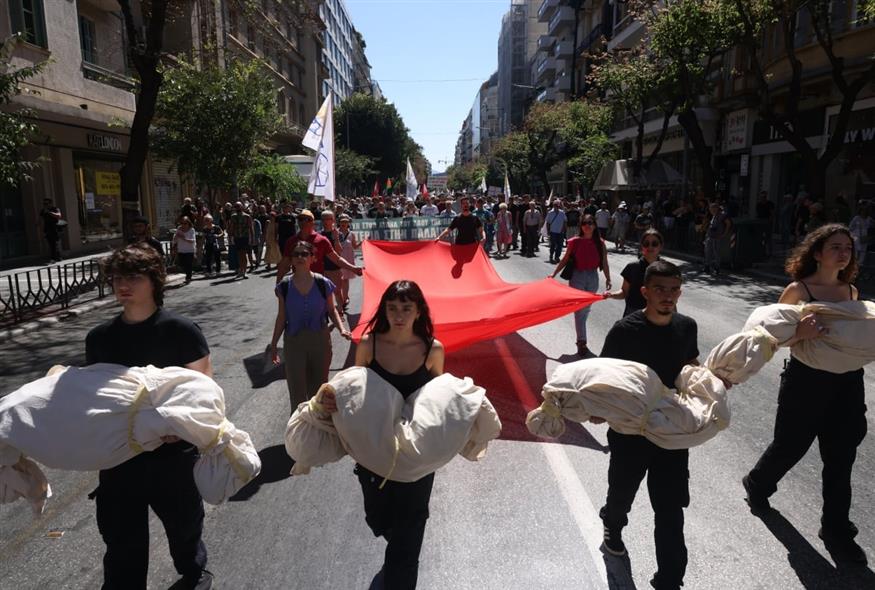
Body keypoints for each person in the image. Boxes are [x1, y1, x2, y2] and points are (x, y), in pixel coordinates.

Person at [85, 244, 213, 590]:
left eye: (133, 277)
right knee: (121, 541)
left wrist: (179, 428)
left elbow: (204, 390)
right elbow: (93, 397)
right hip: (119, 459)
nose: (122, 284)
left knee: (184, 526)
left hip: (172, 456)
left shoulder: (181, 331)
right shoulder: (100, 338)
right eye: (117, 277)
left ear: (155, 280)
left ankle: (193, 572)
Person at [743, 224, 867, 565]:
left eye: (847, 247)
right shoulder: (799, 290)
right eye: (836, 247)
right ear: (817, 253)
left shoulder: (851, 292)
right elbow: (768, 337)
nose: (843, 253)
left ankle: (836, 530)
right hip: (806, 382)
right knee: (790, 445)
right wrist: (799, 332)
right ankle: (758, 483)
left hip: (847, 383)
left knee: (841, 457)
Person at [321, 280, 445, 590]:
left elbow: (441, 398)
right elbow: (352, 389)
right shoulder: (369, 345)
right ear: (384, 310)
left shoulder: (433, 349)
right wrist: (331, 399)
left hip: (417, 459)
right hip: (373, 454)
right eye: (392, 308)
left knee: (410, 530)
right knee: (380, 519)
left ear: (419, 311)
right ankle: (397, 545)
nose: (399, 316)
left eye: (406, 308)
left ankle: (400, 569)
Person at [598, 260, 701, 590]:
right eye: (660, 289)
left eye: (674, 290)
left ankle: (670, 579)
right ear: (644, 292)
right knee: (622, 492)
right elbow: (604, 375)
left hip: (671, 431)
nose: (668, 296)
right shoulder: (625, 331)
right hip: (631, 432)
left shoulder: (687, 327)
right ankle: (613, 523)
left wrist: (707, 384)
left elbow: (690, 363)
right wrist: (598, 408)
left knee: (670, 508)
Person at [270, 241, 350, 411]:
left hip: (320, 340)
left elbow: (331, 310)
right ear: (291, 260)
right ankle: (298, 425)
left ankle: (318, 425)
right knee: (296, 390)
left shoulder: (323, 283)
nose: (300, 257)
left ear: (313, 258)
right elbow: (281, 316)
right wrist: (274, 343)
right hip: (294, 342)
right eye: (296, 254)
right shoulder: (284, 286)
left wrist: (342, 329)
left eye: (304, 254)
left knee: (319, 391)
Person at [550, 213, 611, 357]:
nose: (587, 226)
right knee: (580, 310)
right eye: (584, 223)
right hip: (577, 276)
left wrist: (608, 278)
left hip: (593, 277)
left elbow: (604, 262)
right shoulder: (574, 241)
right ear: (581, 226)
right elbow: (565, 259)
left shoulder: (600, 243)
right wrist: (554, 273)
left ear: (594, 225)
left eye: (590, 223)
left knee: (585, 310)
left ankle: (581, 339)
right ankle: (581, 342)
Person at [275, 209, 362, 282]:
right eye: (301, 219)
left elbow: (337, 259)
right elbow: (284, 265)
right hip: (297, 283)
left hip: (317, 283)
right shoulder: (291, 241)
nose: (304, 222)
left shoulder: (321, 240)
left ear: (313, 223)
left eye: (308, 219)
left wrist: (353, 268)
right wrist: (278, 283)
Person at [604, 228, 663, 317]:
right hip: (633, 314)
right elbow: (624, 292)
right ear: (642, 246)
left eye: (654, 244)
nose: (650, 247)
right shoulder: (632, 267)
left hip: (658, 315)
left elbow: (671, 299)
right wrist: (610, 295)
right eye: (646, 244)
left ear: (660, 246)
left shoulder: (666, 270)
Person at [320, 210, 344, 307]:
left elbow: (339, 252)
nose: (325, 221)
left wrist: (336, 239)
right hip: (322, 268)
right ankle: (327, 311)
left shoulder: (338, 234)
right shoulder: (318, 234)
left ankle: (340, 311)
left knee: (337, 291)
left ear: (333, 220)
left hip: (335, 267)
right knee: (324, 293)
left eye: (328, 219)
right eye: (323, 219)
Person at [337, 214, 360, 312]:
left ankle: (345, 298)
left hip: (348, 258)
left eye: (346, 222)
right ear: (339, 223)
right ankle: (341, 298)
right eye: (342, 222)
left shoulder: (352, 234)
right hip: (338, 258)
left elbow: (355, 247)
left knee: (345, 279)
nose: (344, 223)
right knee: (339, 279)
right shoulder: (335, 233)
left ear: (348, 223)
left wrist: (363, 242)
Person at [703, 202, 731, 275]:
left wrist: (724, 234)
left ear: (716, 208)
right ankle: (707, 267)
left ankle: (717, 268)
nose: (710, 211)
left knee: (716, 253)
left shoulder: (722, 215)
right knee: (708, 252)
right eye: (710, 209)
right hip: (710, 236)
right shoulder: (714, 215)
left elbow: (728, 224)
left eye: (711, 209)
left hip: (717, 237)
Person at [227, 201, 253, 279]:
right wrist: (230, 237)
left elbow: (250, 228)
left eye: (238, 206)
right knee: (239, 255)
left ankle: (244, 271)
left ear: (242, 207)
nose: (237, 208)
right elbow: (231, 227)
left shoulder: (247, 216)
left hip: (245, 237)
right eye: (236, 206)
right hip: (237, 237)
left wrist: (252, 238)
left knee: (244, 254)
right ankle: (240, 270)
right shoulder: (233, 216)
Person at [172, 217, 196, 283]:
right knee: (182, 264)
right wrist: (176, 237)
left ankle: (188, 277)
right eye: (182, 223)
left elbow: (192, 240)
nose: (183, 225)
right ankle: (188, 274)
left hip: (190, 250)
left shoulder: (192, 230)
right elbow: (174, 240)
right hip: (181, 250)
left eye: (185, 223)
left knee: (188, 264)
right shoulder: (179, 229)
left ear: (188, 223)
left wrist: (183, 238)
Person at [39, 198, 63, 262]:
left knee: (55, 243)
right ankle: (56, 257)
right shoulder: (43, 210)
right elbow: (40, 219)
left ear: (50, 203)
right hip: (47, 229)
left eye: (46, 203)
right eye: (44, 204)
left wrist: (49, 212)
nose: (45, 205)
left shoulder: (55, 209)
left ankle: (56, 258)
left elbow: (59, 216)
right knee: (51, 244)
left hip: (55, 228)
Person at [755, 191, 776, 256]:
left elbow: (772, 213)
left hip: (767, 222)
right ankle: (762, 251)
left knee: (768, 237)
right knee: (761, 237)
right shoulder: (758, 204)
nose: (762, 198)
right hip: (760, 222)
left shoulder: (770, 204)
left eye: (764, 197)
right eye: (761, 197)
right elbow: (758, 213)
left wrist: (770, 221)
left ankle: (769, 252)